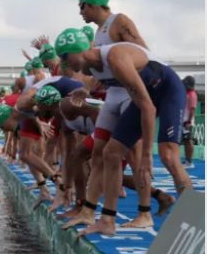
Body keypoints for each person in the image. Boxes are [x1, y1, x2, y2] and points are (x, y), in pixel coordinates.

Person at [55, 28, 192, 236]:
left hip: (167, 89)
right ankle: (107, 221)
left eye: (64, 58)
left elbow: (148, 108)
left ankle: (193, 219)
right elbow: (109, 84)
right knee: (111, 153)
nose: (64, 65)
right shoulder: (91, 67)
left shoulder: (114, 58)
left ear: (76, 52)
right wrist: (85, 91)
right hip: (144, 96)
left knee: (168, 156)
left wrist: (147, 154)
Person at [181, 75, 198, 168]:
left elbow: (192, 109)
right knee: (185, 140)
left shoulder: (192, 94)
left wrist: (188, 122)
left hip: (187, 122)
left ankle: (189, 162)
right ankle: (187, 161)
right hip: (183, 120)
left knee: (188, 140)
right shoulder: (187, 93)